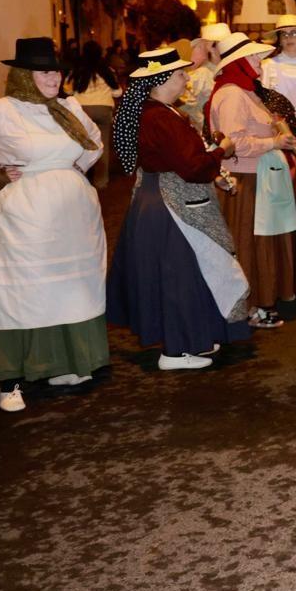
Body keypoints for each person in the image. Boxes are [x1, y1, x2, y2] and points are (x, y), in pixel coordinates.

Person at [0, 37, 108, 412]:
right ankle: (10, 380)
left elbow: (93, 142)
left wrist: (74, 170)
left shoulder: (68, 108)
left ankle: (62, 363)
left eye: (56, 70)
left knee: (68, 289)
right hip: (23, 218)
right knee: (22, 293)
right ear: (24, 75)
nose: (53, 77)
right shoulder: (0, 111)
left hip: (73, 219)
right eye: (44, 71)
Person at [107, 49, 252, 369]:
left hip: (158, 200)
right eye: (179, 74)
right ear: (159, 82)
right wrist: (223, 151)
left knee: (189, 274)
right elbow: (193, 166)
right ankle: (176, 350)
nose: (187, 78)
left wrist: (212, 162)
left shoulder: (155, 112)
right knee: (181, 278)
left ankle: (193, 339)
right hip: (172, 206)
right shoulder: (159, 117)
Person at [208, 31, 296, 328]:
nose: (260, 64)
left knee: (258, 242)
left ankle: (258, 303)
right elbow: (235, 143)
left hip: (256, 177)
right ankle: (249, 306)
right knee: (248, 243)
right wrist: (274, 143)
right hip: (246, 179)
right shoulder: (233, 93)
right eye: (255, 58)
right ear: (241, 61)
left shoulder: (243, 91)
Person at [66, 40, 121, 189]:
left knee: (81, 144)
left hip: (81, 111)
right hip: (103, 110)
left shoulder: (77, 70)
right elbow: (118, 92)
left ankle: (80, 177)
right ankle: (101, 180)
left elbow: (67, 90)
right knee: (101, 144)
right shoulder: (107, 70)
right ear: (100, 53)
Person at [179, 22, 228, 135]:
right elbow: (186, 107)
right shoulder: (201, 75)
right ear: (212, 48)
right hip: (210, 137)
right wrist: (203, 126)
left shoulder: (226, 72)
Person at [260, 13, 296, 114]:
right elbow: (262, 101)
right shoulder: (267, 66)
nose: (288, 38)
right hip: (279, 124)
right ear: (279, 40)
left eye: (293, 33)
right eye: (284, 34)